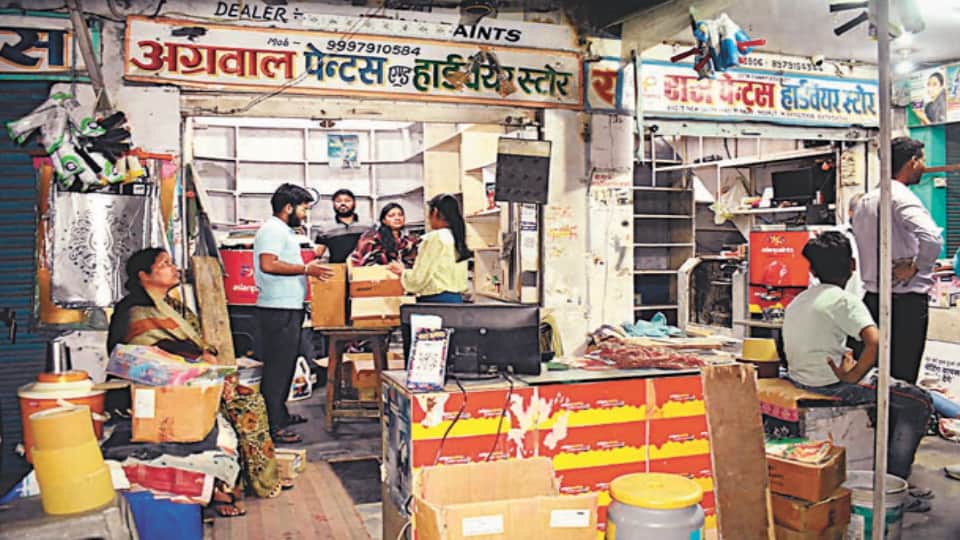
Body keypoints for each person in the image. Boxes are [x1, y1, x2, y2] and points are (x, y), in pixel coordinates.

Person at [107, 248, 293, 518]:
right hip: (148, 391)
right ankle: (228, 490)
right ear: (144, 276)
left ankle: (260, 480)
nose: (173, 268)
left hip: (187, 379)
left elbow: (193, 341)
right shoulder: (135, 311)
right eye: (165, 264)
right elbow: (144, 356)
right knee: (240, 408)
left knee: (248, 399)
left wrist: (206, 363)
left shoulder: (171, 304)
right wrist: (198, 361)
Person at [782, 232, 933, 511]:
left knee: (890, 396)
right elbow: (875, 340)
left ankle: (882, 474)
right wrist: (854, 375)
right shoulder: (843, 300)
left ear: (812, 269)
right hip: (829, 384)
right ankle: (893, 489)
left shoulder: (801, 300)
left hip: (802, 376)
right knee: (919, 402)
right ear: (853, 265)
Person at [852, 137, 943, 384]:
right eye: (922, 160)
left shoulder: (865, 201)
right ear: (912, 162)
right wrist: (917, 266)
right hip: (904, 304)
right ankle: (896, 423)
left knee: (871, 377)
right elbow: (932, 237)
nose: (924, 166)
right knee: (901, 381)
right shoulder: (900, 197)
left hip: (872, 299)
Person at [255, 183, 334, 442]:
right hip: (277, 309)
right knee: (278, 367)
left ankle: (280, 413)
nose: (305, 213)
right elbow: (268, 264)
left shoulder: (284, 231)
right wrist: (305, 270)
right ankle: (274, 426)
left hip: (288, 307)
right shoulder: (272, 230)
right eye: (303, 208)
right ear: (288, 207)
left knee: (286, 364)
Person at [388, 193, 470, 303]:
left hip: (436, 300)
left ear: (435, 212)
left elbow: (419, 278)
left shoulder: (435, 238)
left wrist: (403, 272)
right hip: (456, 300)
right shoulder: (456, 236)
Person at [349, 203, 420, 268]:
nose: (397, 218)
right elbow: (359, 262)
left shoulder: (408, 242)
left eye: (400, 215)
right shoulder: (371, 238)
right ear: (384, 220)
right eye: (391, 216)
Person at [315, 188, 366, 264]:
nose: (343, 204)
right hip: (336, 270)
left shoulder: (368, 225)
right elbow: (318, 254)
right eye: (338, 201)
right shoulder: (325, 228)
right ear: (333, 204)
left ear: (354, 203)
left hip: (362, 269)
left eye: (347, 201)